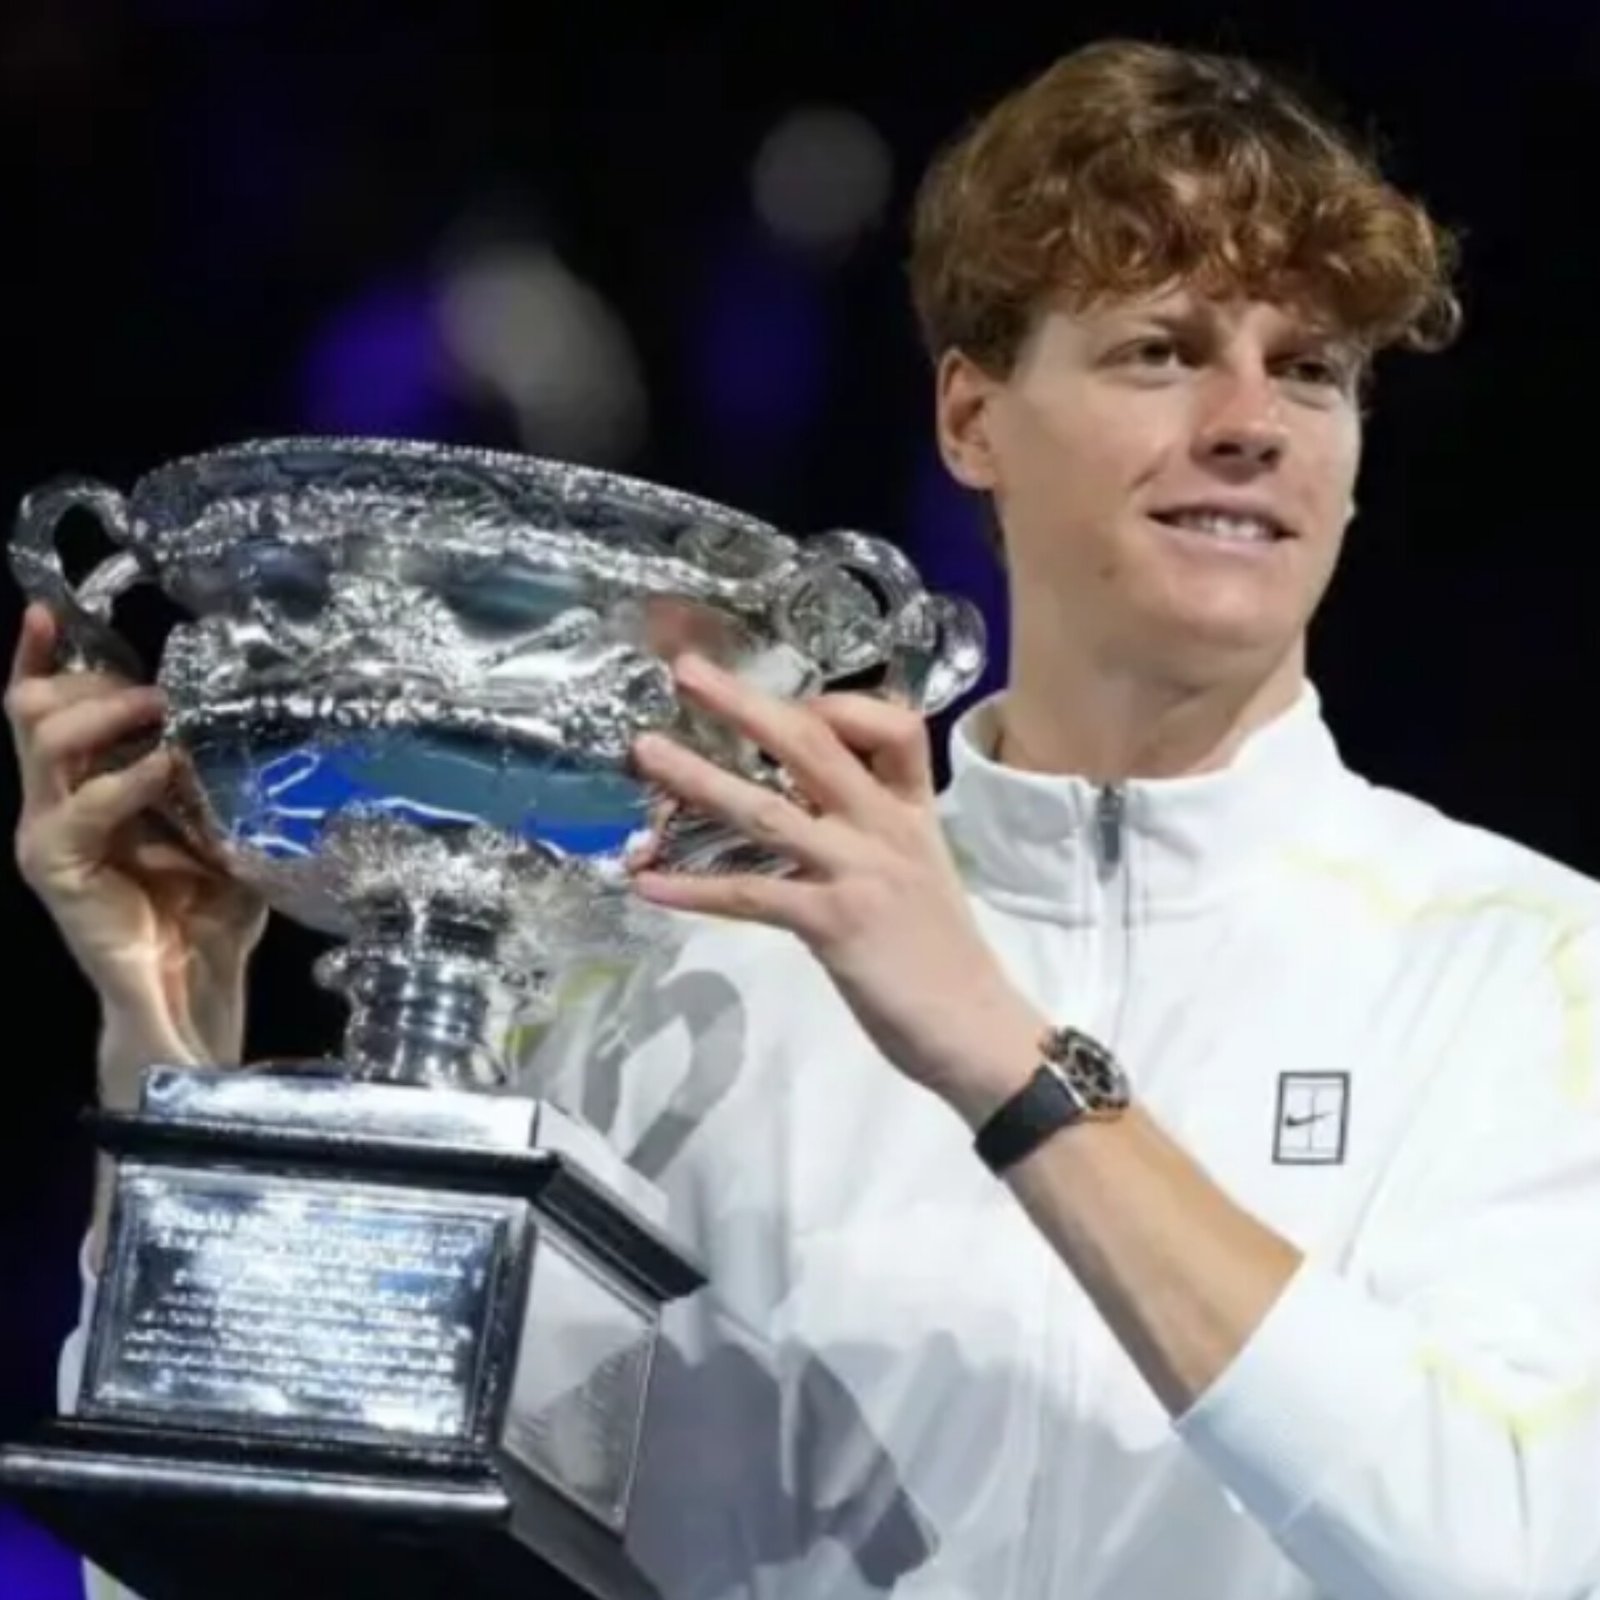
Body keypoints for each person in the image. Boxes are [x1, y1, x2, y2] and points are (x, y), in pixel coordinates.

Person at [11, 35, 1600, 1600]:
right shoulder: (671, 962)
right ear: (972, 418)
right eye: (1161, 351)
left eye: (1312, 369)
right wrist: (174, 1053)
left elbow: (1510, 1553)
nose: (1251, 421)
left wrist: (1009, 1066)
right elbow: (272, 1566)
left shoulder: (1528, 967)